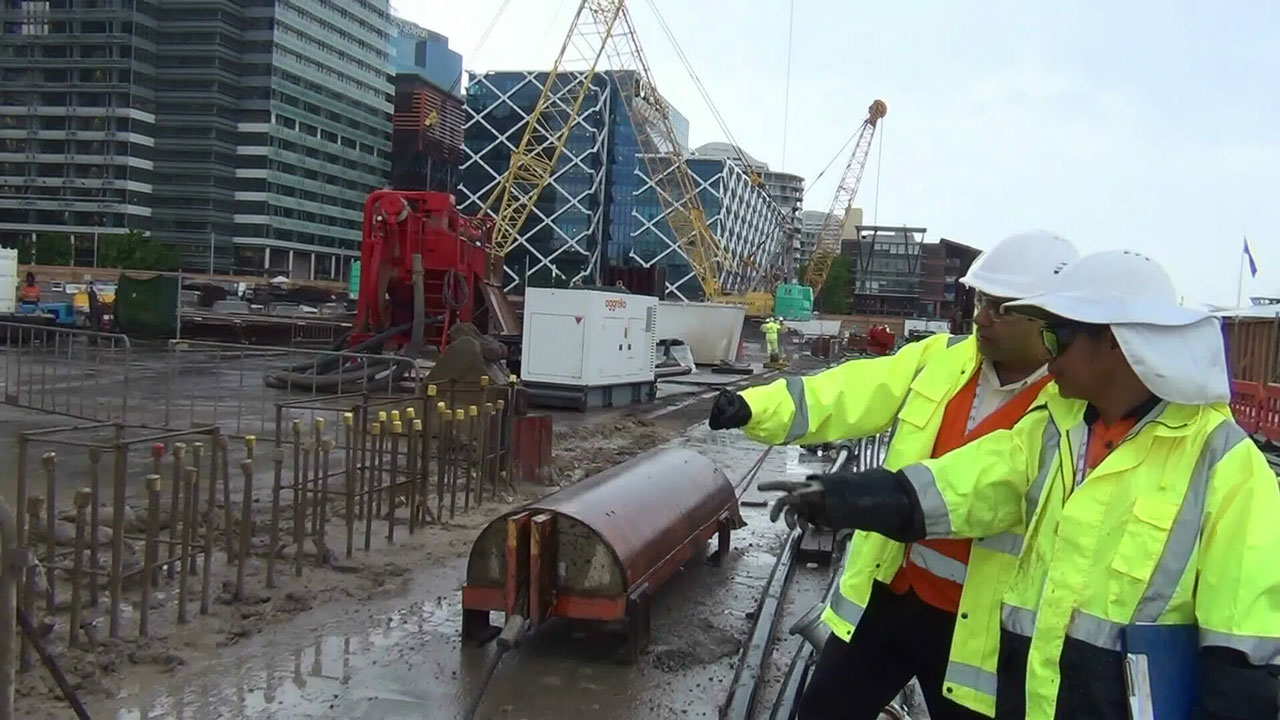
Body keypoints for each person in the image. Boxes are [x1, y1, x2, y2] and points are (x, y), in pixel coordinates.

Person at [760, 250, 1280, 720]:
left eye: (1058, 337)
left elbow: (1246, 659)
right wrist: (843, 498)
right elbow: (966, 482)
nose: (1049, 357)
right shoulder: (1058, 431)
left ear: (1117, 342)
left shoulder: (1223, 465)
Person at [709, 230, 1080, 720]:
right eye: (981, 300)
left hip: (979, 629)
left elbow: (987, 484)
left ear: (1050, 318)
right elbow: (853, 389)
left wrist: (859, 499)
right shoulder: (944, 359)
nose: (982, 317)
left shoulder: (1069, 407)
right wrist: (756, 406)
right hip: (895, 591)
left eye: (1002, 308)